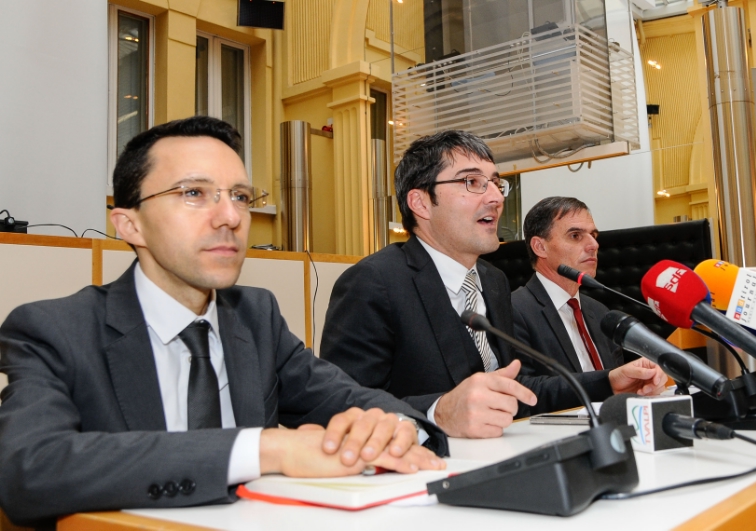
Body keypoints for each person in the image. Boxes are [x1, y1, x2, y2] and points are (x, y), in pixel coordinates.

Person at [0, 117, 446, 527]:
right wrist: (267, 449)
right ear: (129, 224)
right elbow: (28, 469)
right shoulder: (56, 330)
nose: (231, 217)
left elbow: (353, 397)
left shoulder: (256, 316)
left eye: (240, 196)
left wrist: (395, 428)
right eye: (193, 193)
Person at [320, 130, 666, 440]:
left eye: (496, 184)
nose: (496, 198)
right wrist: (437, 412)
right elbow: (339, 405)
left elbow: (515, 390)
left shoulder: (492, 280)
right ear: (421, 202)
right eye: (472, 182)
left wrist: (607, 381)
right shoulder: (374, 282)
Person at [512, 197, 624, 376]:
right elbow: (525, 386)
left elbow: (619, 378)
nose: (594, 245)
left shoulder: (600, 312)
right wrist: (606, 381)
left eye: (593, 235)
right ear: (540, 247)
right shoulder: (514, 310)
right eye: (575, 236)